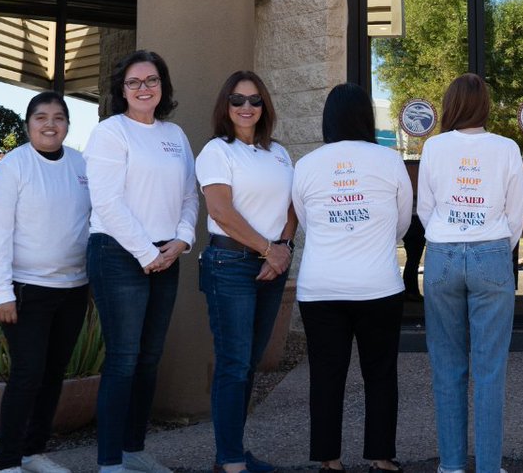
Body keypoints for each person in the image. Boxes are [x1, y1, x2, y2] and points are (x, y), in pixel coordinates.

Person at [83, 50, 198, 473]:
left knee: (150, 357)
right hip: (118, 254)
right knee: (124, 358)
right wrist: (148, 253)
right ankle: (110, 460)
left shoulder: (176, 135)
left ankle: (134, 449)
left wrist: (182, 241)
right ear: (121, 89)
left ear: (162, 86)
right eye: (134, 82)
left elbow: (190, 195)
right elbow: (107, 203)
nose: (144, 88)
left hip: (166, 254)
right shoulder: (111, 132)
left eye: (151, 80)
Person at [292, 83, 412, 473]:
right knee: (380, 373)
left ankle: (329, 459)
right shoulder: (389, 160)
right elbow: (403, 221)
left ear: (328, 119)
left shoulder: (307, 164)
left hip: (320, 286)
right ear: (366, 118)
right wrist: (372, 237)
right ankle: (381, 456)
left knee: (326, 375)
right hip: (378, 284)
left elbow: (307, 224)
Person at [417, 73, 523, 473]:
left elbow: (425, 208)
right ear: (485, 106)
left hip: (443, 253)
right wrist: (495, 244)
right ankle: (489, 466)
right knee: (490, 367)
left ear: (451, 106)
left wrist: (449, 234)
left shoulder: (434, 147)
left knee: (447, 364)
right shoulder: (507, 147)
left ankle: (450, 465)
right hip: (492, 251)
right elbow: (515, 213)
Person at [0, 91, 92, 473]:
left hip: (74, 289)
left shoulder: (81, 164)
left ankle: (33, 451)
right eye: (41, 116)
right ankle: (8, 462)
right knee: (28, 373)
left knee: (53, 373)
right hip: (26, 291)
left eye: (59, 117)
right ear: (28, 123)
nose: (50, 123)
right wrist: (2, 294)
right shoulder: (12, 167)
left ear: (67, 124)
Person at [195, 71, 296, 473]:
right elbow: (221, 211)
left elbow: (292, 207)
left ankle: (232, 452)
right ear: (226, 105)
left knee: (249, 363)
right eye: (237, 100)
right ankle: (231, 460)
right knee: (234, 363)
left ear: (264, 106)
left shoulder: (280, 153)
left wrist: (283, 249)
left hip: (271, 266)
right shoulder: (217, 151)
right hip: (230, 265)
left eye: (254, 100)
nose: (246, 107)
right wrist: (269, 250)